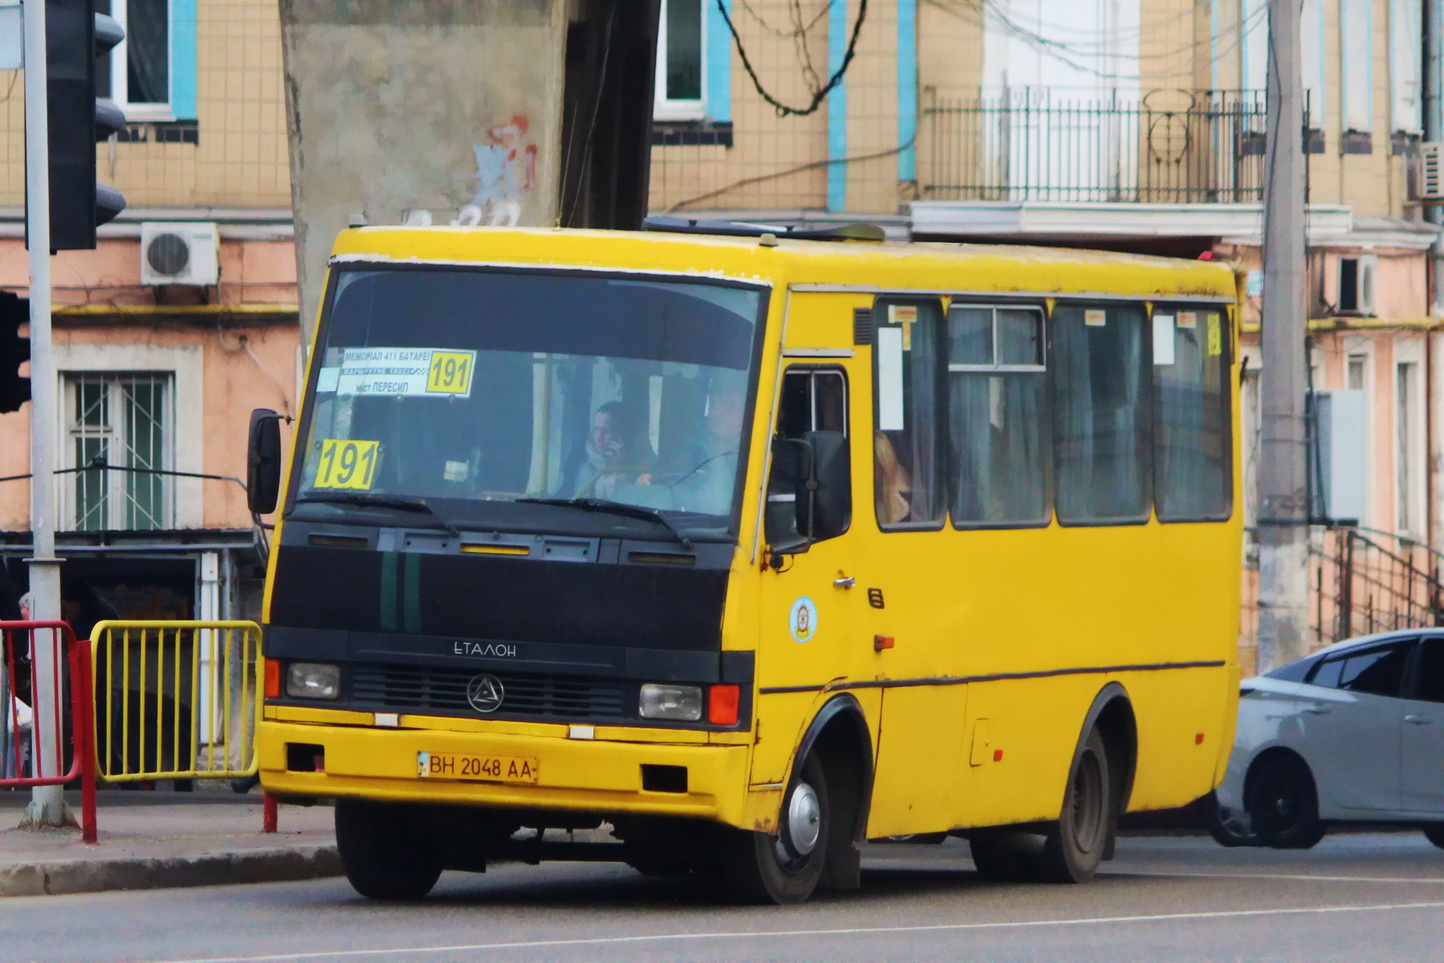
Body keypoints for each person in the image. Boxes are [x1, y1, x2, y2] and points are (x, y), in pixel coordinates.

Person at [556, 401, 656, 499]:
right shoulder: (579, 463)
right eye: (596, 429)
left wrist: (622, 467)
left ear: (624, 433)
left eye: (606, 431)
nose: (599, 438)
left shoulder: (645, 465)